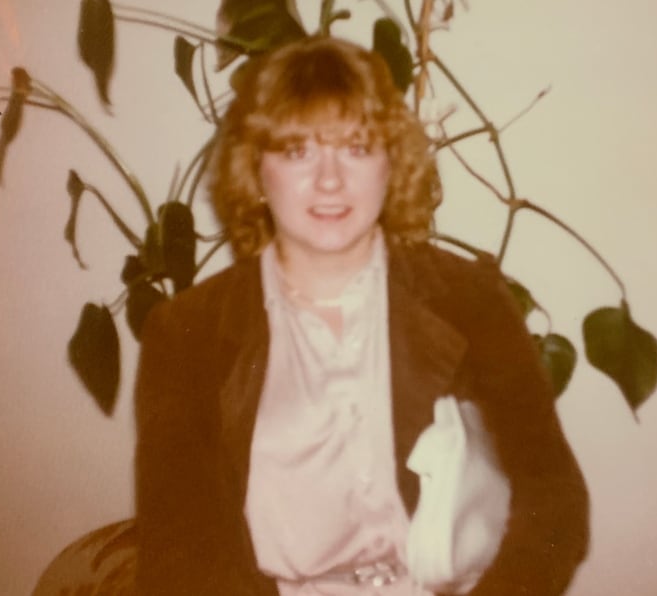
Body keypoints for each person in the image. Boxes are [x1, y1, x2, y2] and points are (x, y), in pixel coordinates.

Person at [133, 35, 589, 596]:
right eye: (298, 151)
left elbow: (554, 498)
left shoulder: (470, 301)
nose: (330, 181)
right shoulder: (187, 335)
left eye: (356, 147)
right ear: (254, 167)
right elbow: (179, 551)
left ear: (391, 162)